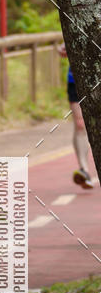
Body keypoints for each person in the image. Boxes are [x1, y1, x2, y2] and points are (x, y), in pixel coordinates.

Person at [59, 42, 94, 189]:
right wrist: (63, 47)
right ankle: (84, 170)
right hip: (76, 78)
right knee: (80, 124)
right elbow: (65, 43)